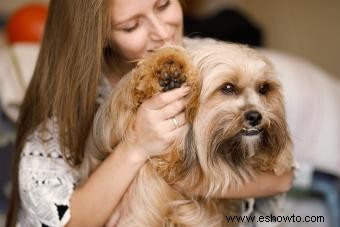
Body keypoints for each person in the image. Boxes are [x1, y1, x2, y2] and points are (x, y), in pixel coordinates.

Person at [6, 0, 294, 226]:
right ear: (100, 35)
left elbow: (282, 176)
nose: (162, 31)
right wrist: (136, 145)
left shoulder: (210, 56)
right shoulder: (65, 112)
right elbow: (64, 222)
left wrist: (186, 179)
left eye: (164, 4)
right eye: (131, 26)